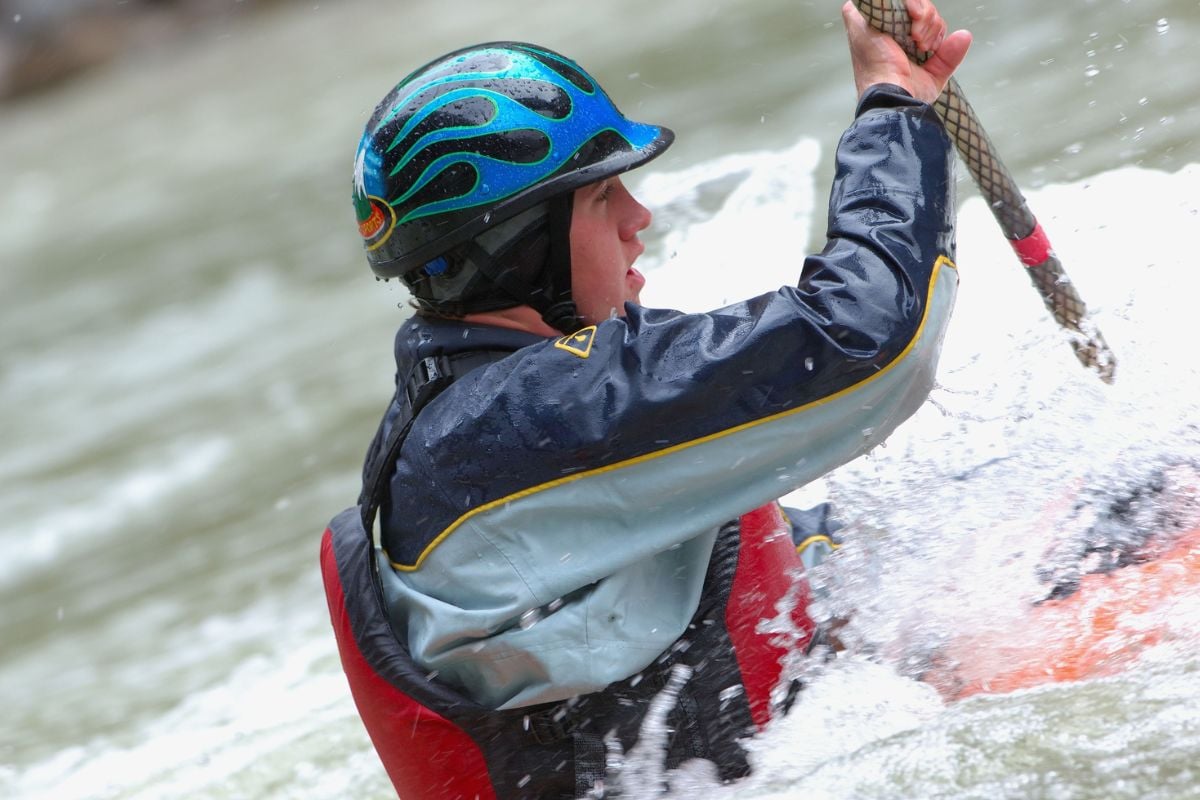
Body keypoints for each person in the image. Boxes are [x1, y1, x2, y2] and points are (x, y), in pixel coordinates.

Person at [321, 2, 971, 797]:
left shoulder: (468, 422)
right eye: (602, 198)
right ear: (515, 249)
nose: (639, 218)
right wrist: (892, 106)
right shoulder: (533, 419)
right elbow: (868, 335)